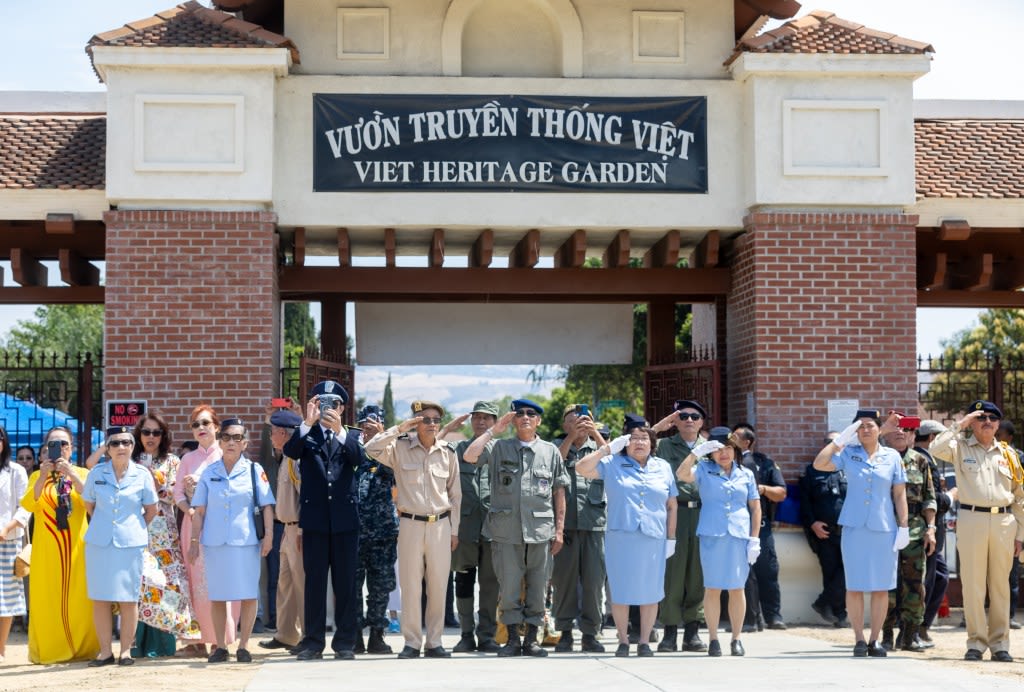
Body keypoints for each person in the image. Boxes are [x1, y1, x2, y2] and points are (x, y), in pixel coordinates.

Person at [463, 399, 568, 657]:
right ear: (513, 419)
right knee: (508, 587)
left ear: (538, 420)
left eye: (531, 414)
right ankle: (512, 640)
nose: (525, 417)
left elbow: (559, 491)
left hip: (540, 530)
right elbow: (469, 456)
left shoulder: (550, 451)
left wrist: (559, 530)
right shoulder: (499, 447)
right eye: (519, 413)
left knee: (538, 587)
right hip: (505, 531)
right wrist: (492, 430)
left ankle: (531, 640)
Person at [364, 400, 461, 659]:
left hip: (441, 525)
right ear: (415, 423)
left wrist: (454, 531)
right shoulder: (400, 448)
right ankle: (412, 642)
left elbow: (455, 495)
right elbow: (371, 448)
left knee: (439, 586)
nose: (431, 424)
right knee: (410, 585)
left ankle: (435, 642)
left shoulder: (448, 453)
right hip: (410, 524)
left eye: (435, 420)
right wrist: (398, 428)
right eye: (424, 419)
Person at [930, 400, 1024, 662]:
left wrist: (1021, 534)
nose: (987, 422)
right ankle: (975, 643)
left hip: (1004, 522)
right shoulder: (959, 447)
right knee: (973, 586)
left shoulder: (1009, 454)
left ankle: (1000, 644)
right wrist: (961, 423)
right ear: (973, 422)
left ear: (998, 424)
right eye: (981, 418)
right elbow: (936, 447)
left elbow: (1020, 497)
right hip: (972, 518)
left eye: (993, 419)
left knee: (1000, 587)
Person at [575, 414, 676, 657]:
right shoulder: (612, 463)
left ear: (652, 443)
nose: (639, 443)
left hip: (653, 536)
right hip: (621, 535)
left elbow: (672, 505)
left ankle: (643, 641)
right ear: (625, 442)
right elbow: (581, 468)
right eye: (634, 439)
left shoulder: (662, 467)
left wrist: (671, 538)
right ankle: (622, 640)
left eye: (645, 439)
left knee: (650, 589)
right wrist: (607, 448)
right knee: (620, 589)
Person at [813, 409, 909, 658]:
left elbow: (899, 494)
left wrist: (904, 526)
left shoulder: (892, 457)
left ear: (880, 429)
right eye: (860, 426)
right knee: (854, 585)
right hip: (855, 527)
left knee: (880, 587)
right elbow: (819, 463)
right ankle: (858, 638)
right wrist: (839, 440)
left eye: (870, 425)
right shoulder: (848, 454)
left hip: (884, 527)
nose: (866, 430)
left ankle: (875, 639)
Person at [282, 379, 364, 661]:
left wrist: (340, 431)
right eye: (322, 403)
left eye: (334, 404)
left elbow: (359, 459)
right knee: (314, 583)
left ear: (343, 408)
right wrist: (307, 422)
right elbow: (290, 452)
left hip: (345, 522)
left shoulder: (351, 435)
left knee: (345, 585)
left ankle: (344, 643)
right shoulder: (306, 435)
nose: (329, 409)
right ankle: (313, 642)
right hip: (315, 521)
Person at [189, 418, 275, 663]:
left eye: (236, 438)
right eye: (226, 437)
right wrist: (194, 540)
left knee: (248, 594)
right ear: (220, 441)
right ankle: (220, 646)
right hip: (215, 543)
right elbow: (200, 509)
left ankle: (244, 645)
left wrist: (268, 536)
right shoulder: (209, 472)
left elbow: (267, 506)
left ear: (244, 443)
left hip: (245, 542)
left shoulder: (254, 470)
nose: (230, 442)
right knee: (218, 595)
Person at [676, 427, 760, 657]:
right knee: (712, 588)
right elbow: (682, 475)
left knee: (736, 588)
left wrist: (754, 538)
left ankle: (736, 638)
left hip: (738, 537)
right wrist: (696, 453)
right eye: (717, 450)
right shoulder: (704, 469)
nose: (723, 453)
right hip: (712, 535)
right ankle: (713, 638)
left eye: (728, 448)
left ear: (735, 450)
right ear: (710, 453)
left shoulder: (746, 474)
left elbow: (755, 507)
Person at [20, 426, 98, 663]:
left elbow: (92, 503)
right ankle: (51, 649)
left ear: (71, 448)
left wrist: (72, 475)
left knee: (80, 598)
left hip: (77, 546)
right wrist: (43, 475)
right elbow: (29, 505)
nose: (59, 448)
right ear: (45, 450)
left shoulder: (83, 473)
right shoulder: (36, 476)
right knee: (47, 599)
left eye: (64, 444)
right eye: (54, 444)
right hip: (46, 549)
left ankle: (83, 649)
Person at [82, 425, 159, 667]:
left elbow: (152, 510)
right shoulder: (97, 473)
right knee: (100, 598)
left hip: (130, 544)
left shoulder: (142, 474)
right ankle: (105, 652)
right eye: (115, 443)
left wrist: (134, 528)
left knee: (129, 598)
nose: (121, 447)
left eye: (126, 442)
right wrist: (105, 525)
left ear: (133, 446)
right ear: (107, 448)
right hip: (99, 543)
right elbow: (89, 505)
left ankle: (126, 651)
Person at [131, 413, 199, 658]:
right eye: (146, 432)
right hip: (136, 529)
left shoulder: (172, 462)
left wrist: (155, 482)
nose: (150, 437)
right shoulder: (129, 458)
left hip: (164, 531)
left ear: (163, 436)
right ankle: (137, 642)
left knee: (169, 584)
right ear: (139, 434)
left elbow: (175, 495)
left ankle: (165, 643)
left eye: (156, 432)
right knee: (140, 583)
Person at [173, 405, 234, 657]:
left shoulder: (227, 455)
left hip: (221, 525)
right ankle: (198, 637)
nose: (201, 428)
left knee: (220, 581)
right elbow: (177, 493)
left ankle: (221, 640)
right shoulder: (187, 460)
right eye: (196, 424)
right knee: (196, 581)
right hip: (193, 524)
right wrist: (188, 509)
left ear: (216, 427)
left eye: (205, 423)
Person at [441, 401, 501, 654]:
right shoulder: (457, 449)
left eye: (487, 418)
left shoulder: (504, 450)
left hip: (494, 528)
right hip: (464, 529)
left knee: (490, 584)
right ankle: (466, 634)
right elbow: (431, 446)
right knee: (463, 582)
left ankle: (486, 634)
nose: (480, 422)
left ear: (496, 423)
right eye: (476, 418)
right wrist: (447, 428)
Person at [650, 399, 707, 652]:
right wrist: (658, 428)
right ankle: (670, 632)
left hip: (704, 514)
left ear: (702, 422)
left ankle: (693, 632)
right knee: (672, 575)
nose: (689, 421)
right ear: (676, 420)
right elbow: (637, 444)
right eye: (683, 416)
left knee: (698, 574)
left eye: (695, 417)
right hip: (674, 514)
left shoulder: (712, 447)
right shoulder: (663, 445)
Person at [551, 404, 608, 653]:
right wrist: (572, 437)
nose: (579, 424)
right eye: (572, 421)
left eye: (584, 420)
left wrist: (595, 433)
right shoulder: (554, 447)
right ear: (564, 425)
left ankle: (590, 633)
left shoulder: (599, 446)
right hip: (566, 527)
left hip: (594, 524)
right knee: (564, 582)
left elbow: (612, 458)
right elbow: (553, 465)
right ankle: (564, 632)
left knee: (594, 583)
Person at [879, 416, 936, 652]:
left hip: (914, 529)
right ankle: (886, 635)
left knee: (914, 585)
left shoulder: (920, 461)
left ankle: (910, 634)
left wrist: (931, 529)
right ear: (887, 432)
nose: (902, 432)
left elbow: (929, 498)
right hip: (884, 529)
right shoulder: (878, 459)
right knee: (886, 585)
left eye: (907, 428)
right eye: (897, 428)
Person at [259, 407, 306, 653]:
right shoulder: (286, 456)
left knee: (302, 585)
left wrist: (302, 529)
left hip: (298, 529)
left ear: (283, 433)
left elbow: (306, 497)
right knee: (285, 584)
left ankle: (309, 636)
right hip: (286, 528)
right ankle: (287, 634)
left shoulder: (296, 460)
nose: (270, 437)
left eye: (272, 432)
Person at [732, 424, 788, 631]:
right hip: (736, 526)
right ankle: (750, 619)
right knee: (743, 575)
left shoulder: (764, 463)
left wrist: (762, 489)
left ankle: (773, 616)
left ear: (747, 442)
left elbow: (781, 493)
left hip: (761, 525)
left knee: (767, 571)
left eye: (735, 437)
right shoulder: (725, 463)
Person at [353, 404, 397, 655]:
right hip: (355, 531)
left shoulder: (391, 450)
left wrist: (383, 437)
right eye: (365, 425)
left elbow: (396, 473)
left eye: (374, 425)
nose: (368, 430)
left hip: (383, 532)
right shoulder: (352, 448)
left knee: (381, 586)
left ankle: (377, 636)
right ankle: (356, 635)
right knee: (353, 587)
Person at [799, 431, 849, 628]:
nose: (833, 444)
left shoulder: (850, 468)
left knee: (848, 572)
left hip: (849, 530)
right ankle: (839, 614)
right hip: (824, 532)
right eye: (829, 442)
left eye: (836, 441)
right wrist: (812, 523)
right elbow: (805, 502)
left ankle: (823, 602)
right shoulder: (813, 471)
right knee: (830, 572)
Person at [915, 419, 952, 647]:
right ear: (932, 438)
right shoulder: (922, 460)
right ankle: (915, 629)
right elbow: (927, 499)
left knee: (939, 577)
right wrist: (951, 497)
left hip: (933, 531)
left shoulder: (929, 459)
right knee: (926, 581)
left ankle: (923, 626)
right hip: (925, 531)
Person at [0, 426, 29, 664]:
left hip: (7, 541)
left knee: (6, 597)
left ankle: (0, 648)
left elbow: (25, 506)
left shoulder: (16, 471)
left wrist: (8, 528)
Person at [995, 419, 1024, 631]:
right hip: (992, 520)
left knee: (1012, 572)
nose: (997, 439)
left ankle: (1010, 615)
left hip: (1014, 519)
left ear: (1010, 438)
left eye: (1001, 435)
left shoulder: (1018, 458)